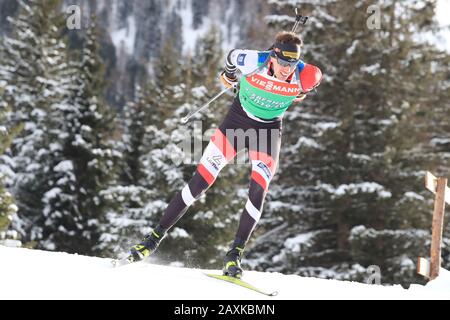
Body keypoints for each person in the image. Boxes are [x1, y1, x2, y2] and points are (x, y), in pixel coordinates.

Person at [127, 31, 323, 278]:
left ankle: (234, 256)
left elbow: (310, 84)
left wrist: (299, 93)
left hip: (268, 131)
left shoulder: (307, 75)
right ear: (273, 56)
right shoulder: (252, 61)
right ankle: (152, 239)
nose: (287, 69)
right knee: (201, 181)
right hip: (236, 123)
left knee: (258, 189)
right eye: (283, 62)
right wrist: (229, 76)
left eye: (292, 64)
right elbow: (231, 58)